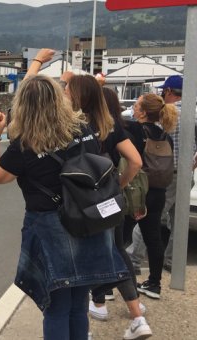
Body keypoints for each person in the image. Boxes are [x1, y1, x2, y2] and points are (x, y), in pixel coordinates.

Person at [0, 48, 128, 340]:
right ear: (59, 98)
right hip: (88, 222)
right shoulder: (83, 128)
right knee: (78, 303)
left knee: (57, 307)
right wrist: (41, 69)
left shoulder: (25, 143)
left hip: (51, 227)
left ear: (23, 106)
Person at [66, 81, 151, 339]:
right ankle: (137, 316)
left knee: (79, 261)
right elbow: (135, 161)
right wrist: (119, 185)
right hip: (109, 200)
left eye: (68, 90)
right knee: (115, 253)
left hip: (80, 203)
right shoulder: (109, 126)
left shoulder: (71, 126)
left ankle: (87, 325)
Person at [129, 75, 197, 273]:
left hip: (160, 175)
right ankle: (172, 260)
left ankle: (133, 261)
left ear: (169, 91)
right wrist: (191, 167)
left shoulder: (161, 115)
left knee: (148, 218)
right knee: (179, 219)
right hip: (184, 174)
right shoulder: (193, 114)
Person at [123, 93, 178, 301]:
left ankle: (114, 285)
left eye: (136, 106)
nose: (134, 109)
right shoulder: (166, 136)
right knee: (153, 237)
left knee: (120, 238)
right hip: (158, 193)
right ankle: (154, 283)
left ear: (144, 112)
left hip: (136, 193)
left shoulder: (135, 131)